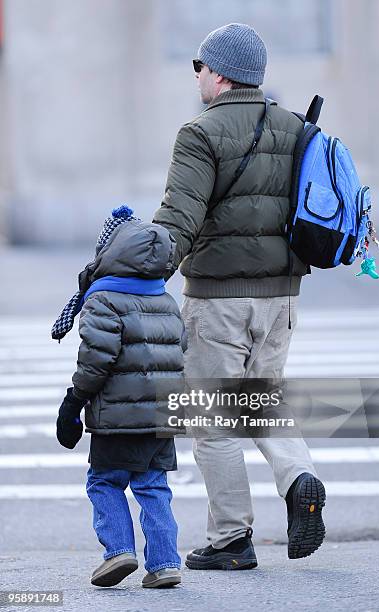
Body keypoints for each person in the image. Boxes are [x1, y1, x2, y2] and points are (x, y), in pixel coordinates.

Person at [153, 23, 326, 570]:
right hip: (281, 298)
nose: (197, 75)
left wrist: (140, 274)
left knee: (212, 420)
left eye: (200, 66)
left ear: (220, 74)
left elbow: (178, 220)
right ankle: (300, 479)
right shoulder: (294, 127)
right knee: (260, 400)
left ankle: (231, 539)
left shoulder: (199, 133)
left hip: (218, 299)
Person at [53, 206, 185, 588]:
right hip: (161, 418)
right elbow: (182, 354)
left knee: (105, 482)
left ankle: (118, 552)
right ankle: (164, 564)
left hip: (117, 419)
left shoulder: (104, 299)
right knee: (153, 487)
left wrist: (73, 403)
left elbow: (96, 359)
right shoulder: (166, 300)